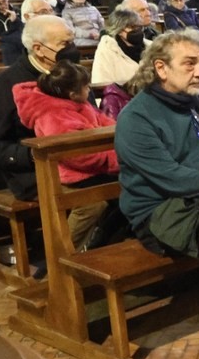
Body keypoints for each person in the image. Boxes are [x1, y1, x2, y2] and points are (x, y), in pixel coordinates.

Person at [115, 30, 199, 264]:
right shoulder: (136, 117)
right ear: (161, 68)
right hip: (161, 212)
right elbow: (170, 177)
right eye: (189, 64)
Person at [12, 61, 119, 249]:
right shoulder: (53, 114)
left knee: (131, 189)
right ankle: (64, 252)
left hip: (94, 169)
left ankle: (105, 246)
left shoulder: (77, 102)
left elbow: (103, 121)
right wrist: (116, 158)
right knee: (93, 204)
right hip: (73, 174)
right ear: (73, 93)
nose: (89, 90)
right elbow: (77, 155)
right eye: (86, 87)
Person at [0, 15, 79, 200]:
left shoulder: (73, 75)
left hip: (77, 161)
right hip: (29, 172)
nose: (71, 49)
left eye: (72, 41)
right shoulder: (5, 86)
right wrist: (35, 154)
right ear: (38, 49)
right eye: (64, 44)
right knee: (90, 201)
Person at [91, 8, 145, 86]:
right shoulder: (106, 49)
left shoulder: (150, 47)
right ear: (119, 30)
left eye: (139, 27)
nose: (137, 30)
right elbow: (101, 82)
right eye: (132, 27)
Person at [1, 0, 55, 66]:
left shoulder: (59, 34)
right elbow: (15, 69)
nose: (50, 16)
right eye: (43, 12)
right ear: (27, 16)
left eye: (51, 11)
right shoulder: (12, 40)